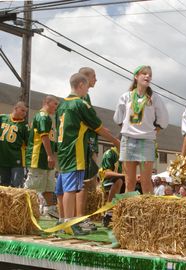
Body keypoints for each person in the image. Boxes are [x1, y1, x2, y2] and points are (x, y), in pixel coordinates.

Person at [56, 73, 120, 235]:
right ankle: (69, 223)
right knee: (71, 189)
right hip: (74, 151)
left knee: (64, 189)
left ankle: (65, 221)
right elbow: (98, 127)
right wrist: (115, 141)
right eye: (86, 87)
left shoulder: (61, 105)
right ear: (81, 85)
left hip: (63, 151)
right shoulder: (80, 104)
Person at [114, 65, 168, 194]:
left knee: (146, 182)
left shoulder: (154, 98)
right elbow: (118, 118)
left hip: (146, 142)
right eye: (144, 73)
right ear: (136, 76)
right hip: (128, 141)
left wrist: (154, 131)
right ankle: (129, 212)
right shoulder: (126, 97)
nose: (147, 76)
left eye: (150, 74)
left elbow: (164, 120)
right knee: (129, 182)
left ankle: (148, 213)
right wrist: (127, 129)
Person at [25, 96, 59, 218]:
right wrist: (50, 155)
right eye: (55, 104)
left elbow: (50, 139)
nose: (56, 107)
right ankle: (24, 209)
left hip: (46, 159)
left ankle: (50, 209)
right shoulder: (42, 116)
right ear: (46, 102)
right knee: (33, 186)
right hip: (38, 157)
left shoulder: (49, 118)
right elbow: (44, 137)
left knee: (48, 185)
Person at [77, 67, 100, 231]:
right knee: (82, 184)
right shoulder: (81, 98)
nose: (96, 80)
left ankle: (77, 217)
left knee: (83, 183)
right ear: (85, 78)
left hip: (87, 144)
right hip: (82, 145)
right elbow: (93, 124)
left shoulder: (86, 96)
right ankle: (78, 219)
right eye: (94, 77)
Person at [0, 101, 29, 187]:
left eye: (26, 112)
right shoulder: (2, 118)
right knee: (3, 187)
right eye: (22, 110)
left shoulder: (25, 126)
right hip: (2, 159)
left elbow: (28, 144)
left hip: (16, 161)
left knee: (16, 187)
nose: (24, 113)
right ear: (15, 108)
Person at [98, 146, 125, 227]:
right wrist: (124, 175)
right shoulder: (110, 153)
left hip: (122, 179)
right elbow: (106, 173)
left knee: (136, 184)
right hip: (108, 181)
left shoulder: (125, 155)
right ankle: (109, 212)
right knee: (119, 179)